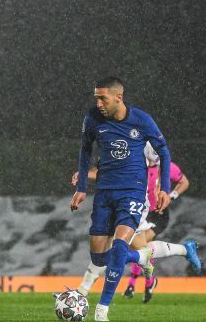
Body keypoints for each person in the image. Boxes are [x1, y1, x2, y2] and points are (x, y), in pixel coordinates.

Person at [70, 77, 172, 322]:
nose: (98, 103)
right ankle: (142, 256)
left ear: (119, 97)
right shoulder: (93, 118)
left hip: (133, 192)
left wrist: (164, 189)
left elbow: (164, 152)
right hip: (105, 193)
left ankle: (102, 310)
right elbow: (85, 151)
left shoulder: (141, 120)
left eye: (102, 98)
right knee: (99, 258)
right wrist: (82, 187)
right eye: (96, 97)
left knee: (119, 246)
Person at [71, 151, 201, 305]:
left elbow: (182, 180)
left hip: (143, 210)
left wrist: (169, 195)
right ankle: (180, 253)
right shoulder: (132, 155)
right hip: (125, 205)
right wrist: (85, 175)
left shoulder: (152, 161)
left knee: (114, 250)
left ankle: (82, 293)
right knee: (137, 250)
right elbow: (108, 173)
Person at [123, 145, 196, 302]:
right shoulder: (138, 166)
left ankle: (138, 283)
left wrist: (171, 196)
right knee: (138, 247)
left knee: (142, 247)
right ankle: (143, 283)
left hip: (159, 216)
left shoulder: (167, 166)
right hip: (142, 214)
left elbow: (184, 182)